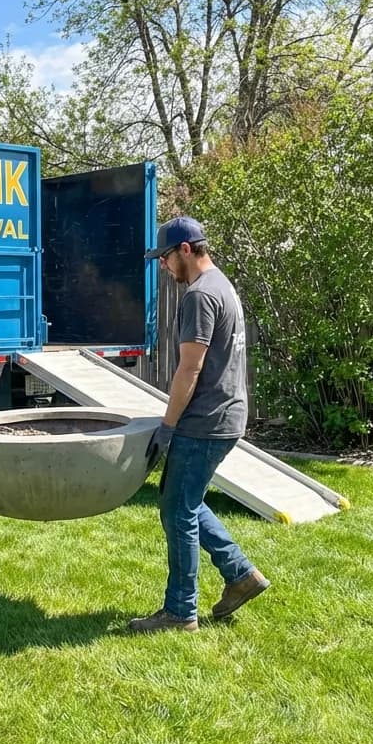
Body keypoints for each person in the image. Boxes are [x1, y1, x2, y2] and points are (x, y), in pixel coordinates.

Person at [130, 216, 270, 633]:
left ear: (185, 250)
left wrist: (167, 426)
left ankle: (179, 611)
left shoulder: (200, 296)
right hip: (226, 415)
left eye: (166, 258)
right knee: (183, 503)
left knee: (177, 511)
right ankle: (240, 574)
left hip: (205, 420)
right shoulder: (223, 285)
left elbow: (190, 369)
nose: (164, 267)